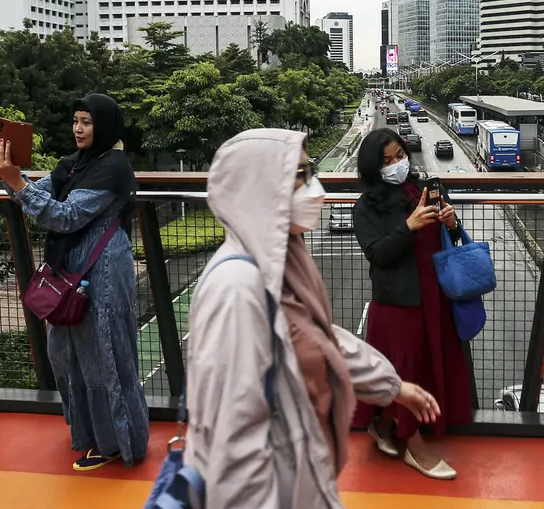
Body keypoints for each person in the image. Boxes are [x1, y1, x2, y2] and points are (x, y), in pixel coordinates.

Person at [186, 128, 440, 508]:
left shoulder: (283, 258)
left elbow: (314, 337)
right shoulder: (237, 287)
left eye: (311, 172)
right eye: (300, 176)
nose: (315, 188)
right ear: (259, 188)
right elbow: (233, 444)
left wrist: (392, 386)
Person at [0, 94, 149, 471]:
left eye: (87, 122)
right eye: (75, 121)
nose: (78, 128)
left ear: (104, 126)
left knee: (103, 351)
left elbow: (67, 216)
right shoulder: (73, 165)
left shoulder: (114, 167)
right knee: (68, 352)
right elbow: (37, 196)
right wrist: (7, 173)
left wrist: (14, 180)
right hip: (71, 268)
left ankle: (117, 442)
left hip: (102, 268)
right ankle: (89, 432)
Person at [350, 127, 472, 480]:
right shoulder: (366, 207)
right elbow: (377, 254)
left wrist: (451, 222)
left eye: (400, 156)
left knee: (422, 364)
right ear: (373, 168)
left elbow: (446, 237)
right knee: (402, 371)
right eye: (386, 161)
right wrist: (409, 225)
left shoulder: (424, 191)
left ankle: (384, 425)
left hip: (434, 295)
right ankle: (415, 448)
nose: (396, 165)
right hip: (398, 302)